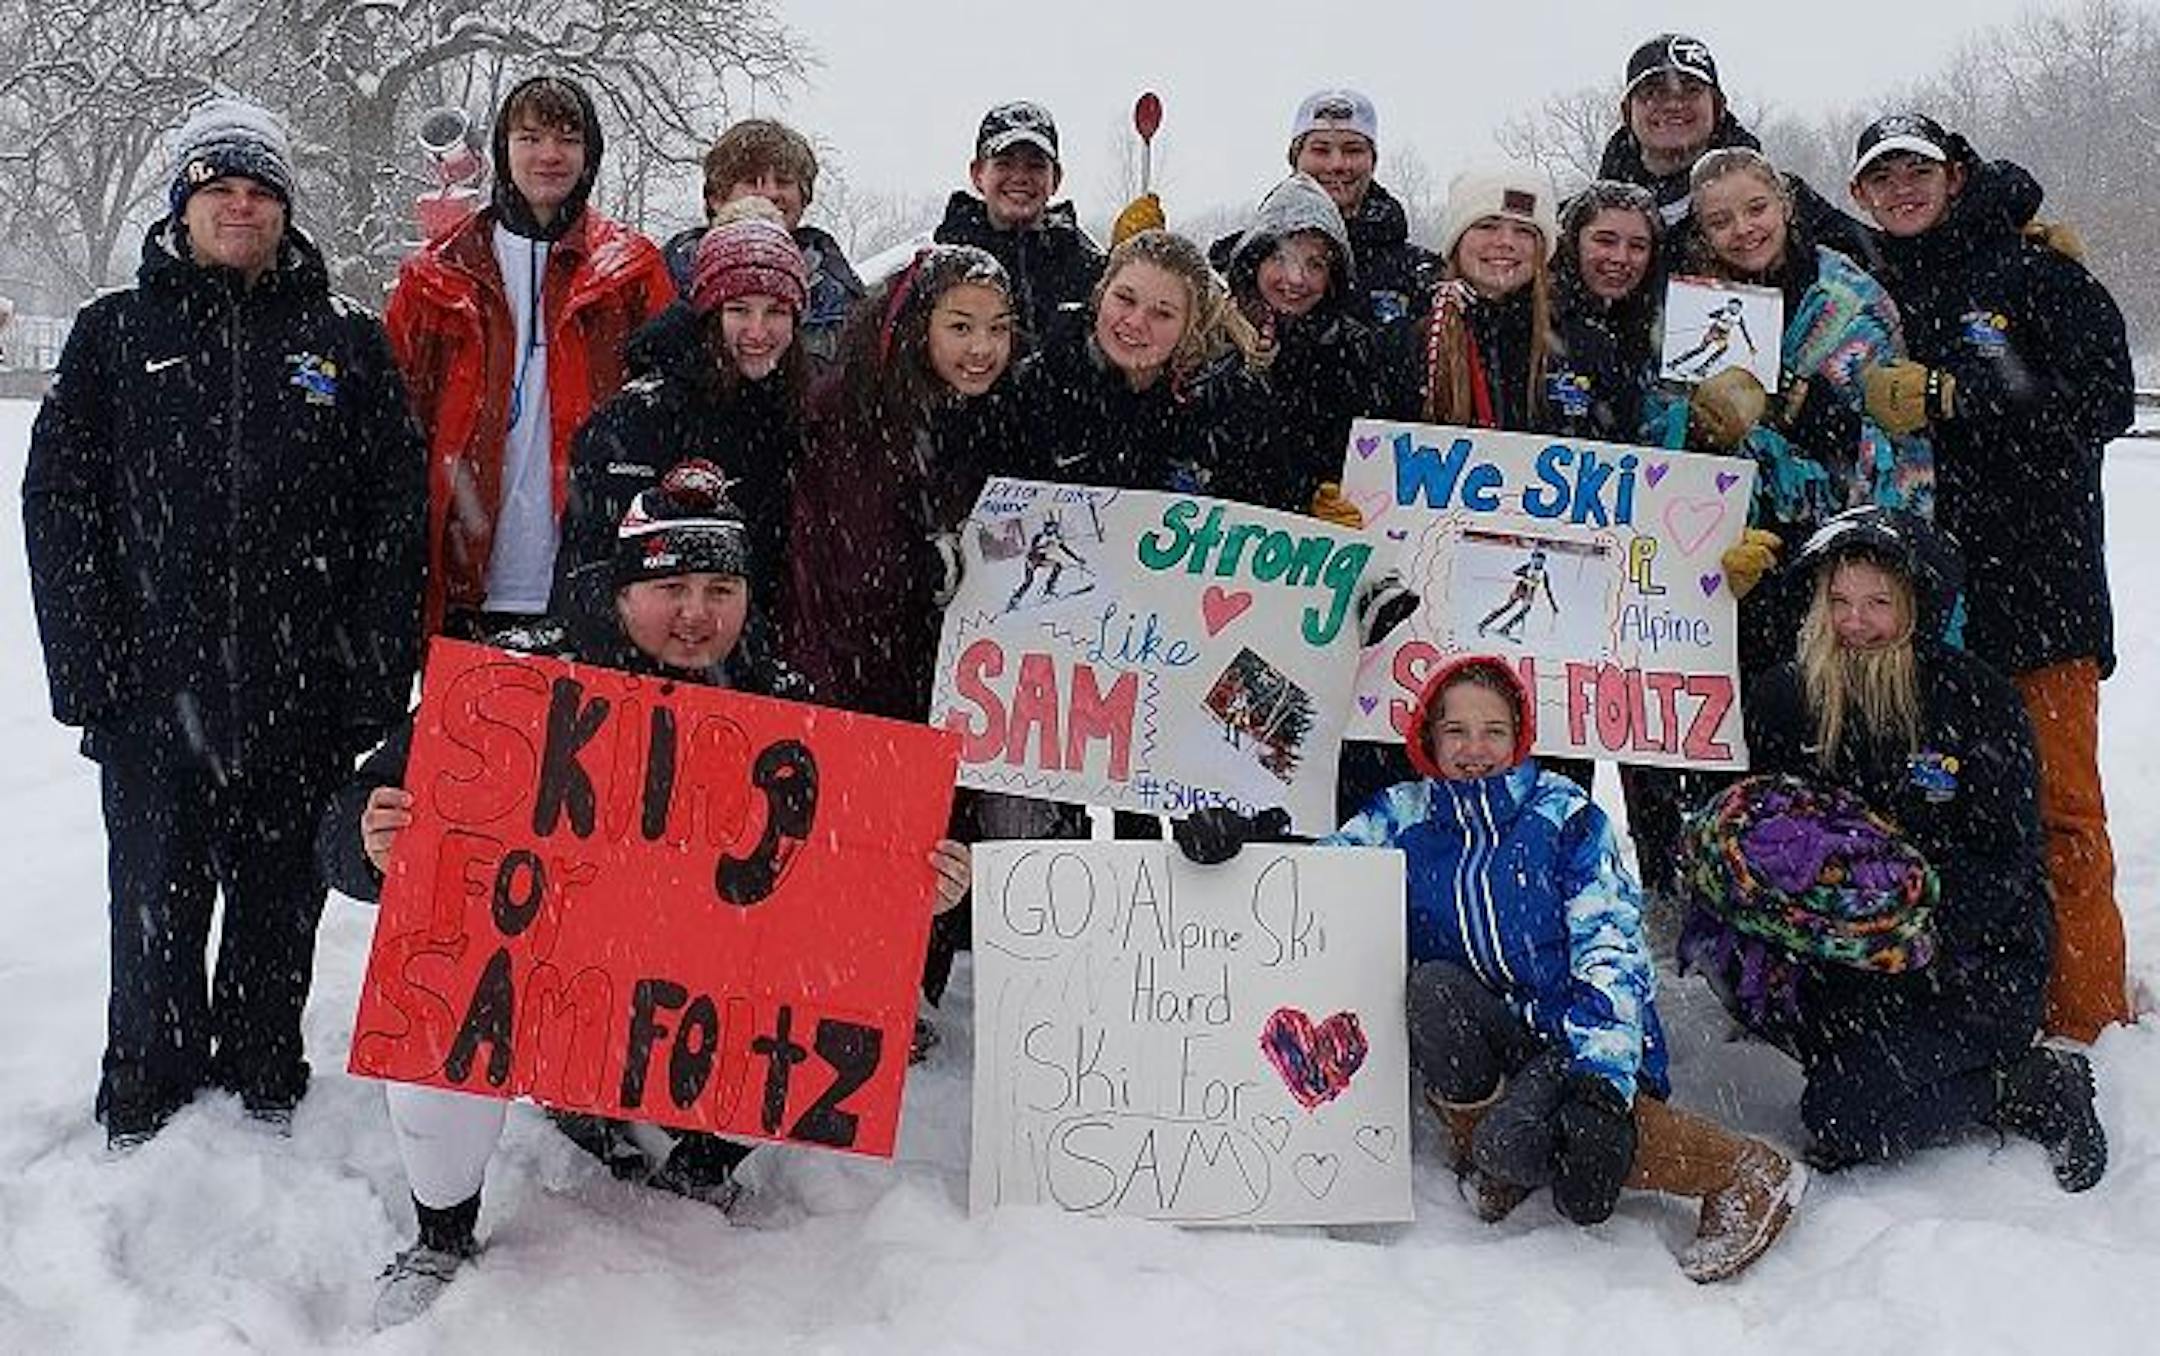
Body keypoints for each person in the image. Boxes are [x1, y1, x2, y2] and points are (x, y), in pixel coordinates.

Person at [321, 461, 974, 1326]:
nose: (698, 612)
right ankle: (443, 1231)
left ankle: (696, 1157)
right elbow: (344, 821)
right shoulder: (514, 682)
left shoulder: (784, 703)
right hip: (541, 979)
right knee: (440, 995)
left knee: (809, 1001)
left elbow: (849, 886)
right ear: (625, 590)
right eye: (671, 586)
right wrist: (371, 841)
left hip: (674, 995)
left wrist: (921, 898)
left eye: (720, 586)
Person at [22, 95, 425, 1149]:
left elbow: (394, 514)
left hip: (304, 687)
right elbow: (58, 502)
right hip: (155, 688)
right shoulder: (117, 333)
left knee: (277, 902)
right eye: (220, 190)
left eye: (260, 192)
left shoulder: (343, 340)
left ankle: (260, 1069)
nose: (241, 209)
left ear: (286, 211)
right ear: (183, 205)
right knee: (154, 901)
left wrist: (376, 678)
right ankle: (147, 1087)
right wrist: (88, 668)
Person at [1177, 656, 1804, 1283]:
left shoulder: (1566, 816)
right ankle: (1492, 1154)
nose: (1475, 749)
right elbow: (1328, 873)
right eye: (1456, 731)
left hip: (1576, 1036)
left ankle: (1741, 1169)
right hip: (1498, 1032)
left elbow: (1611, 956)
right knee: (1431, 991)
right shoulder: (1404, 815)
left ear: (1518, 738)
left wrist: (1603, 1088)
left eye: (1494, 731)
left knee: (1519, 1139)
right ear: (1429, 737)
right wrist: (1247, 846)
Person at [1684, 506, 2107, 1189]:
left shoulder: (1978, 701)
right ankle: (1878, 1055)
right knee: (1808, 1040)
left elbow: (2008, 857)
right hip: (1841, 961)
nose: (1854, 622)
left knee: (1842, 1119)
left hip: (1969, 962)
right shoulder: (1791, 696)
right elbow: (1752, 813)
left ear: (1918, 606)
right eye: (1840, 601)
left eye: (1878, 603)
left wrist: (1912, 935)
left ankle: (2028, 1083)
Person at [1846, 113, 2136, 1042]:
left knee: (2061, 819)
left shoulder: (2040, 273)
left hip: (2040, 597)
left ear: (1957, 177)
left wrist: (1954, 395)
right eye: (1880, 178)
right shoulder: (1879, 286)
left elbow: (2104, 402)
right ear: (1861, 197)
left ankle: (2087, 1018)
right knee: (1939, 816)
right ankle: (1971, 1005)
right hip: (1924, 608)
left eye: (1917, 172)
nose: (1901, 190)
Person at [785, 245, 1025, 1019]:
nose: (981, 347)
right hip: (856, 661)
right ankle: (848, 984)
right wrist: (922, 563)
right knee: (863, 830)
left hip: (954, 676)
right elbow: (840, 558)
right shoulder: (854, 413)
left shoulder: (995, 415)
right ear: (919, 326)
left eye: (998, 327)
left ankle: (906, 985)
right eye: (961, 326)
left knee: (934, 843)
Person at [387, 73, 673, 637]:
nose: (549, 154)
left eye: (568, 138)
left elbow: (670, 416)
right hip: (466, 578)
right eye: (530, 137)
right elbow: (394, 420)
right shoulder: (438, 275)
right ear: (502, 149)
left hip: (594, 575)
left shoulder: (632, 271)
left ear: (589, 154)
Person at [1664, 146, 1933, 679]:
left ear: (1785, 204)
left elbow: (1897, 447)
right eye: (1720, 220)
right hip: (1725, 559)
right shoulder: (1688, 309)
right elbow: (1660, 433)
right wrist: (1698, 426)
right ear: (1700, 230)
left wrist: (1813, 413)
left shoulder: (1848, 297)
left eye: (1756, 209)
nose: (1743, 229)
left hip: (1835, 559)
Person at [554, 202, 810, 638]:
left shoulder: (799, 411)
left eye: (777, 312)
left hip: (752, 668)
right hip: (647, 665)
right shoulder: (639, 418)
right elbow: (592, 569)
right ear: (709, 314)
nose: (758, 331)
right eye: (739, 310)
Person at [1597, 32, 1870, 265]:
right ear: (1626, 110)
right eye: (1653, 92)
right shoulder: (1589, 218)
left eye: (1691, 90)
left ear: (1718, 107)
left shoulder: (1779, 198)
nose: (1673, 104)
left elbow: (1878, 260)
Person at [1213, 172, 1386, 520]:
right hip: (1222, 543)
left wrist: (1343, 502)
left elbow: (1373, 458)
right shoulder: (1213, 338)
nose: (1295, 279)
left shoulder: (1356, 351)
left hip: (1313, 554)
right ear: (1255, 261)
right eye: (1280, 259)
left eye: (1315, 264)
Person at [1212, 89, 1434, 325]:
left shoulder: (1417, 275)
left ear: (1373, 161)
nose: (1337, 164)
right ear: (1295, 159)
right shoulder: (1234, 266)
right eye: (1320, 150)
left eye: (1353, 150)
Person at [661, 118, 865, 366]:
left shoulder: (837, 288)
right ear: (716, 198)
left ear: (804, 197)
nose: (770, 193)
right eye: (752, 181)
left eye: (783, 182)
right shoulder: (666, 275)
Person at [934, 100, 1105, 342]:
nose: (1020, 177)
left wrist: (1134, 256)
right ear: (977, 174)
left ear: (1055, 179)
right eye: (1004, 163)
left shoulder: (1090, 270)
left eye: (1035, 166)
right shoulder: (941, 267)